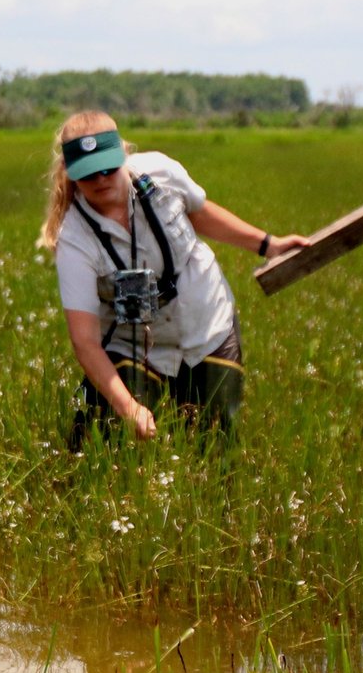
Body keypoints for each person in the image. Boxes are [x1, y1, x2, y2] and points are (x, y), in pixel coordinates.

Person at [40, 111, 308, 446]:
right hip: (132, 342)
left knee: (215, 444)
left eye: (109, 167)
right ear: (71, 174)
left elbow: (202, 214)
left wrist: (269, 245)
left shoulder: (161, 174)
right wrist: (128, 408)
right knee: (100, 439)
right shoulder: (75, 240)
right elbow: (85, 341)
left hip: (206, 323)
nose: (101, 179)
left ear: (123, 153)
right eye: (88, 174)